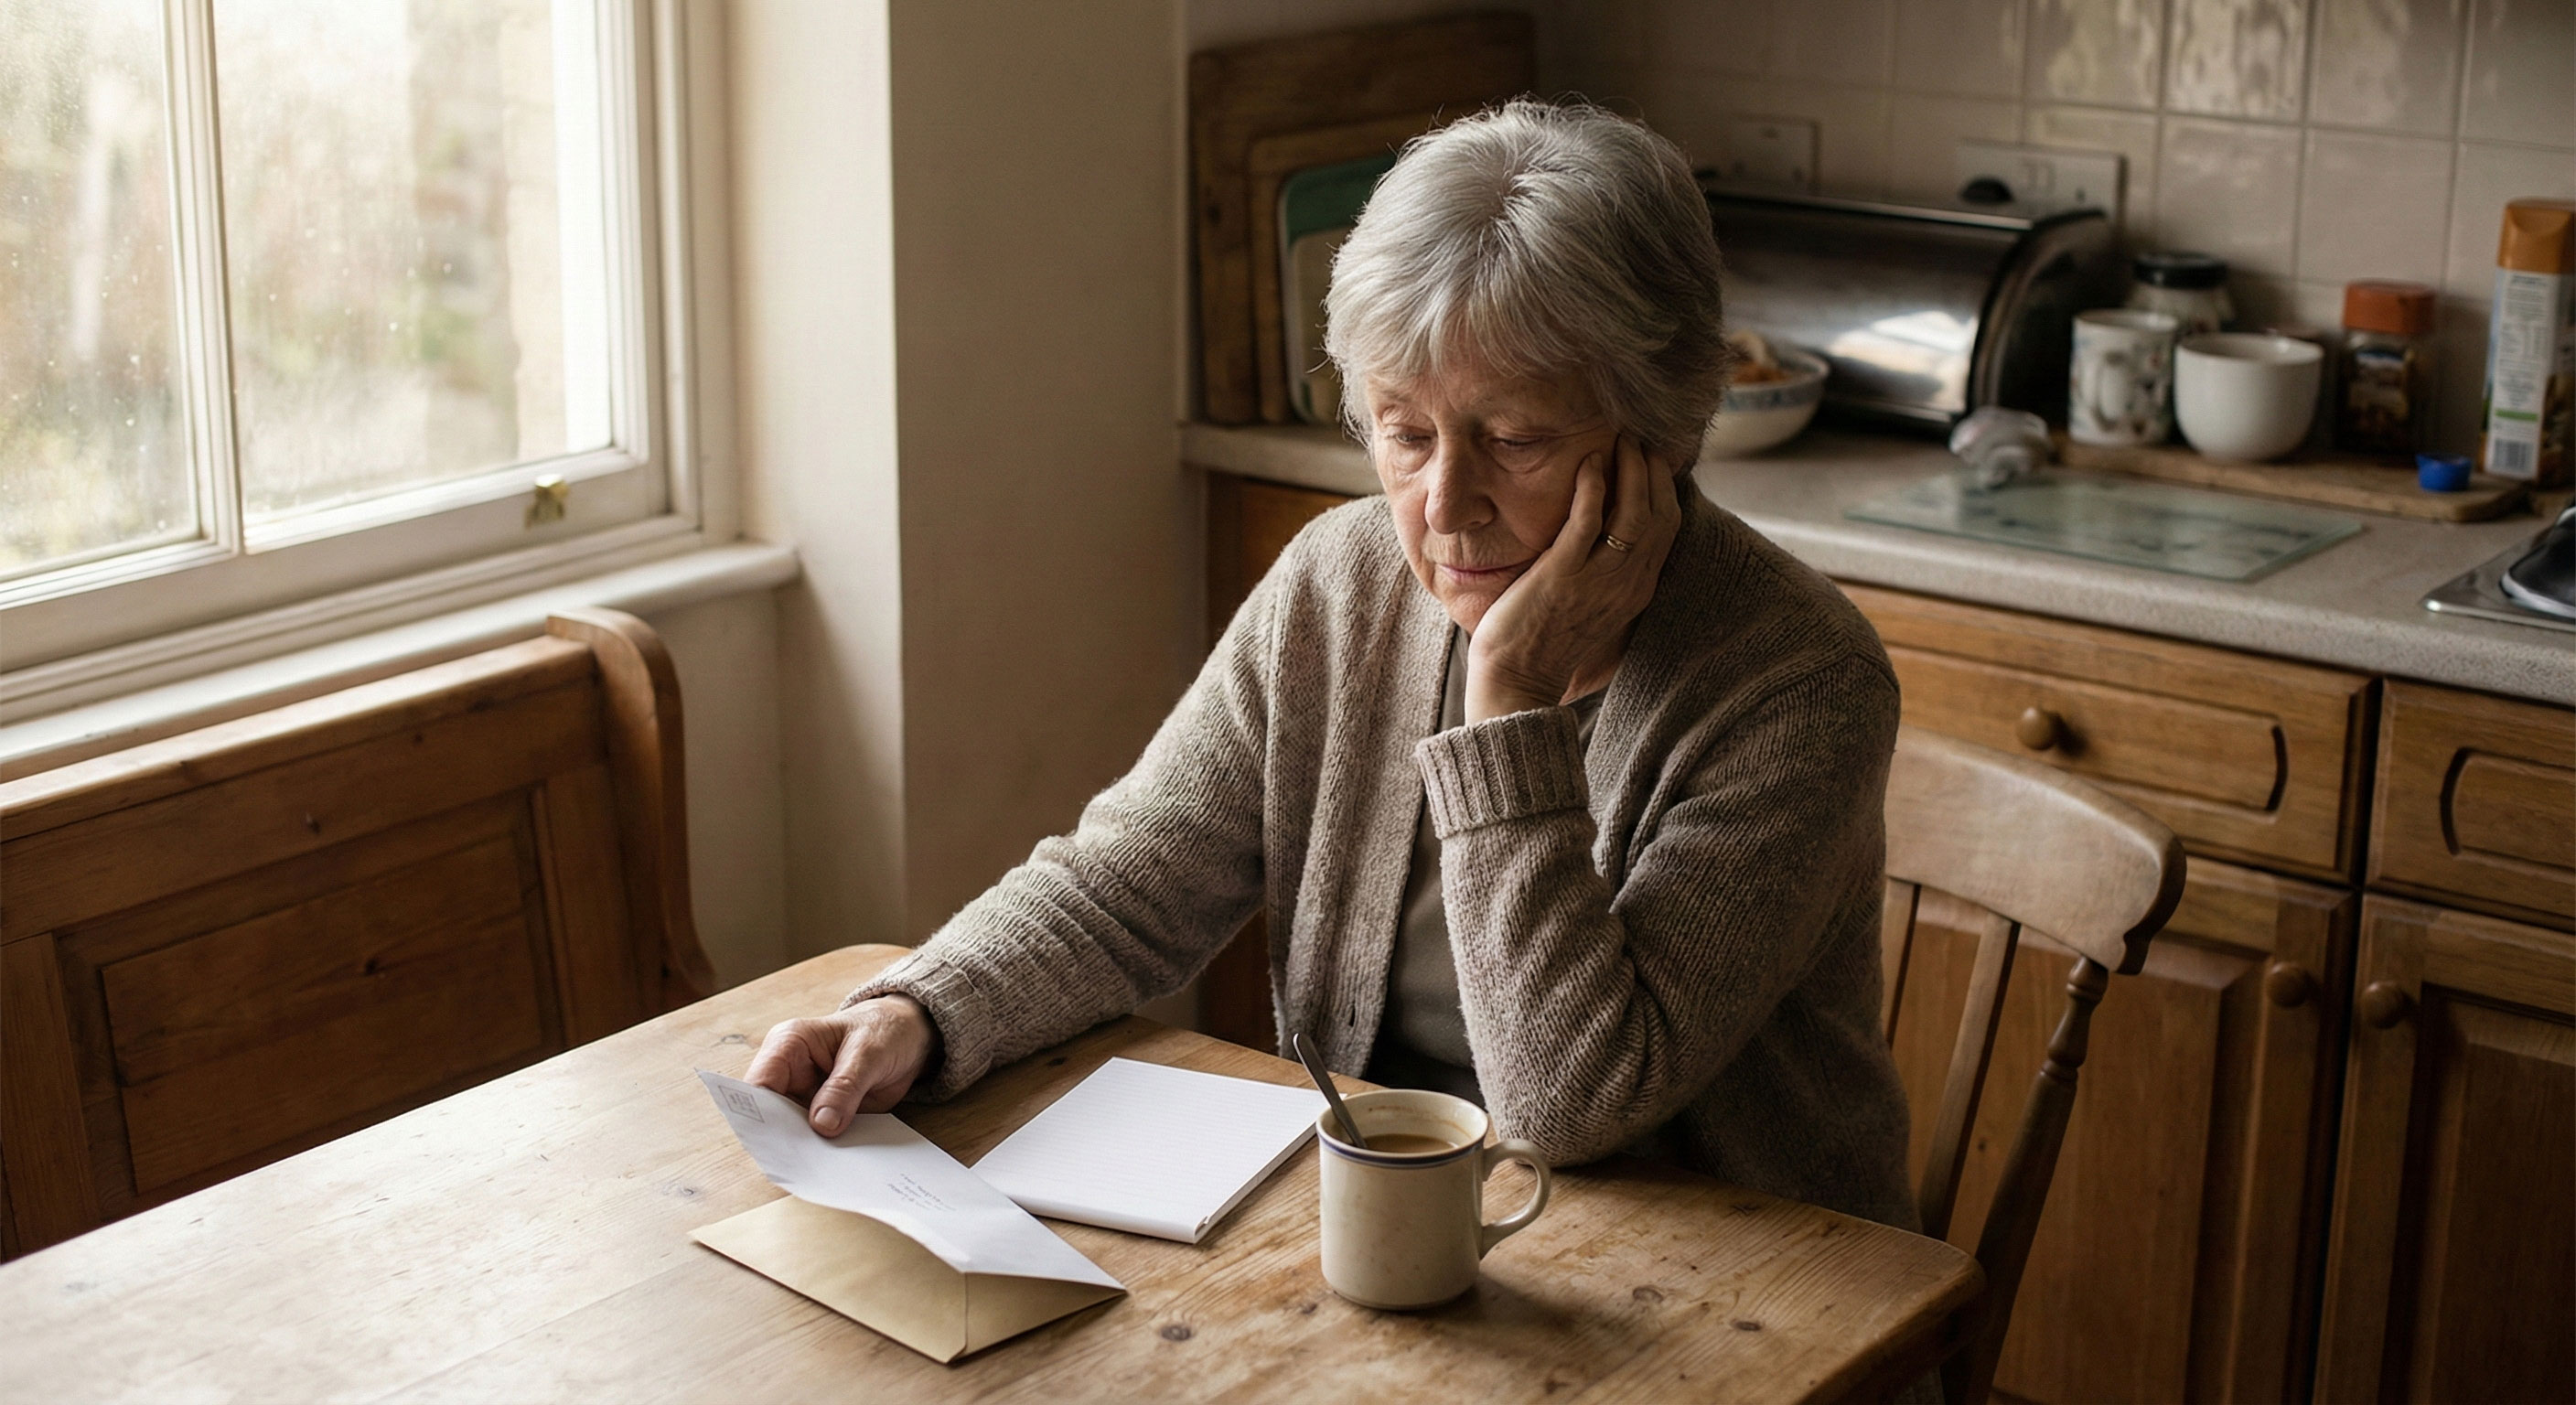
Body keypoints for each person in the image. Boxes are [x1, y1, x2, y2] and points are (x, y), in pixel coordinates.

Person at [748, 100, 1916, 1230]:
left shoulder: (1799, 685)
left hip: (1743, 1280)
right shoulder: (1337, 585)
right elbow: (1127, 885)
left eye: (1513, 439)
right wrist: (921, 1011)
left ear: (1661, 430)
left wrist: (1505, 701)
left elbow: (1568, 1106)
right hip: (1399, 1227)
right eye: (1404, 434)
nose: (1443, 506)